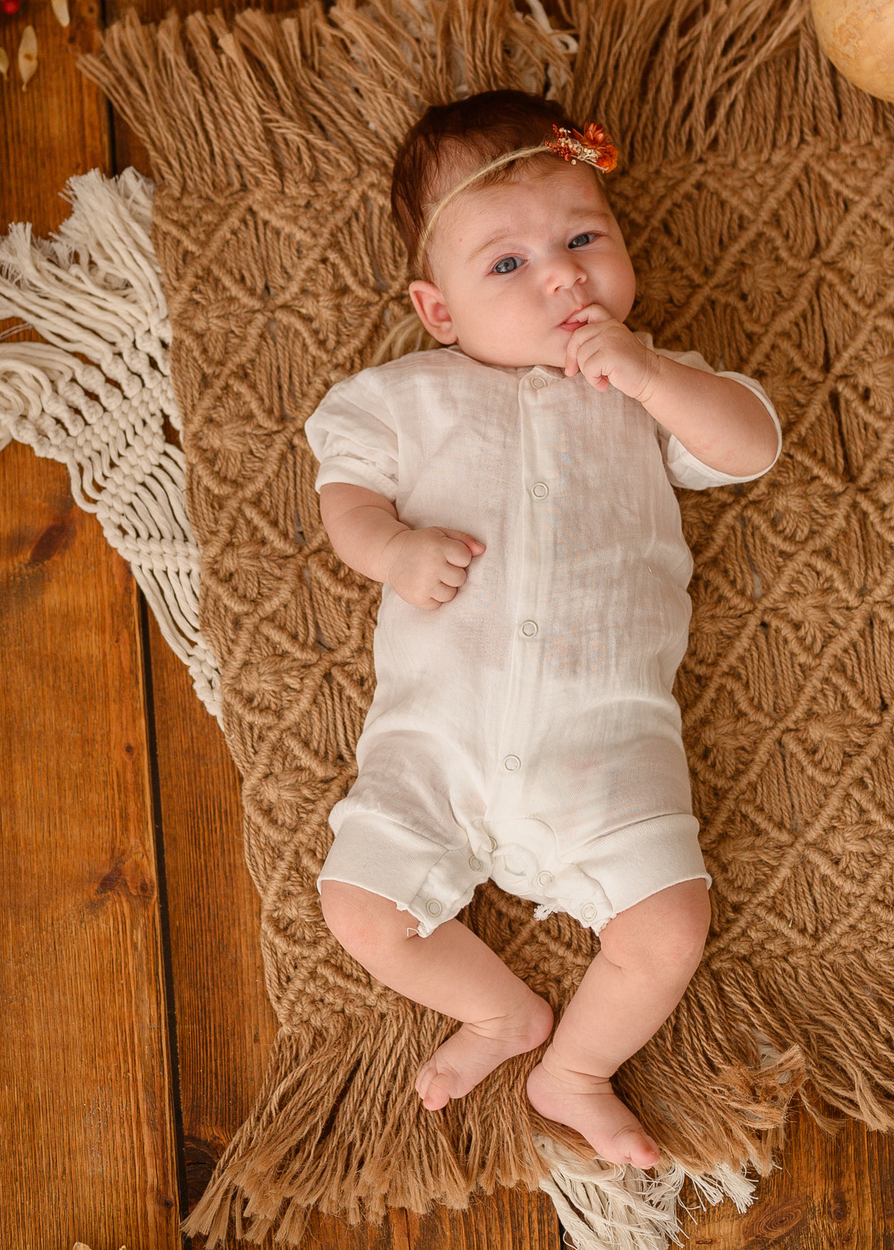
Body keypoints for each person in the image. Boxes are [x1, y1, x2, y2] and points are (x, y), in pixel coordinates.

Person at [305, 88, 781, 1169]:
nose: (562, 276)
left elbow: (750, 444)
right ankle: (499, 1013)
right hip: (438, 738)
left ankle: (575, 1068)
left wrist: (652, 374)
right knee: (360, 909)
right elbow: (344, 495)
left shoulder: (641, 387)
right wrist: (391, 550)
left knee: (669, 926)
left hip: (602, 742)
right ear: (439, 312)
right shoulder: (409, 397)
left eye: (583, 240)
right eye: (509, 264)